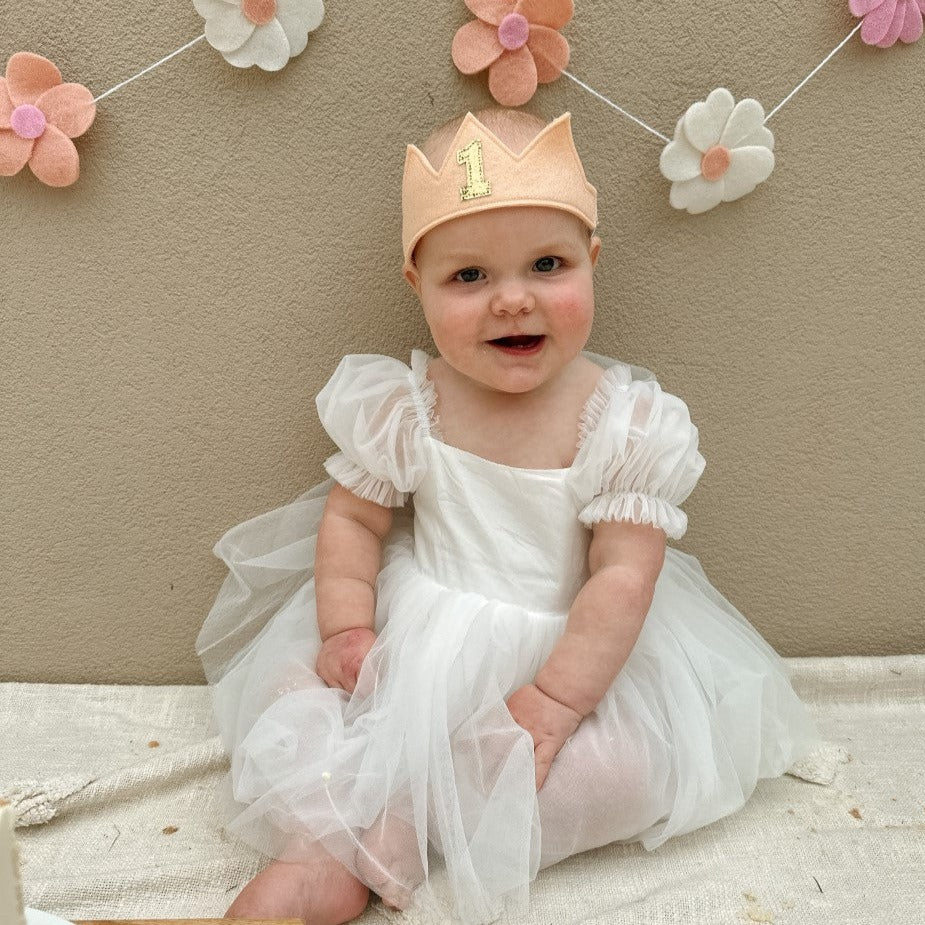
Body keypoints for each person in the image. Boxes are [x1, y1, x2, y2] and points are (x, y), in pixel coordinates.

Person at [196, 108, 820, 925]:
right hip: (421, 638)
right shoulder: (406, 407)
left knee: (625, 769)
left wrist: (557, 702)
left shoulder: (623, 423)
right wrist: (347, 626)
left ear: (592, 263)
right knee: (297, 696)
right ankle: (326, 852)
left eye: (547, 264)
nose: (512, 299)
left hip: (573, 657)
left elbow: (624, 576)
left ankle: (408, 823)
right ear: (417, 285)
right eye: (469, 277)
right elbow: (352, 523)